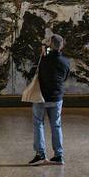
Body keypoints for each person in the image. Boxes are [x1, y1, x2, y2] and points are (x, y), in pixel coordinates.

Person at [28, 34, 71, 165]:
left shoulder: (44, 60)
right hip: (57, 97)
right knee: (56, 125)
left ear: (50, 45)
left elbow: (34, 72)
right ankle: (58, 155)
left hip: (41, 96)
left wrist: (44, 50)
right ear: (61, 46)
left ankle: (41, 154)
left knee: (38, 123)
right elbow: (64, 78)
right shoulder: (65, 61)